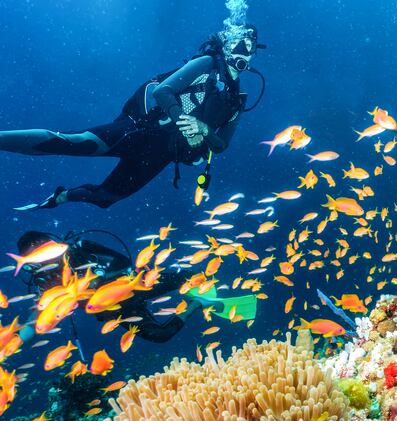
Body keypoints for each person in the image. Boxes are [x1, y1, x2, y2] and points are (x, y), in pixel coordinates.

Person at [2, 25, 264, 210]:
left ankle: (61, 197)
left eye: (250, 47)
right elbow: (163, 91)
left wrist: (204, 129)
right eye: (238, 43)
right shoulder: (206, 64)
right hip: (141, 130)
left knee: (106, 198)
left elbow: (221, 145)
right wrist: (183, 119)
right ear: (225, 44)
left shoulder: (237, 98)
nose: (244, 50)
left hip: (160, 155)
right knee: (74, 142)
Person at [14, 230, 257, 344]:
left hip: (133, 285)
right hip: (112, 311)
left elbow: (122, 260)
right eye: (34, 254)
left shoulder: (79, 246)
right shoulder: (44, 282)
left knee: (192, 276)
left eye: (43, 247)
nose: (43, 256)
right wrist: (14, 340)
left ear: (52, 243)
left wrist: (101, 278)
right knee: (160, 336)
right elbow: (38, 318)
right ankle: (197, 304)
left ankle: (207, 292)